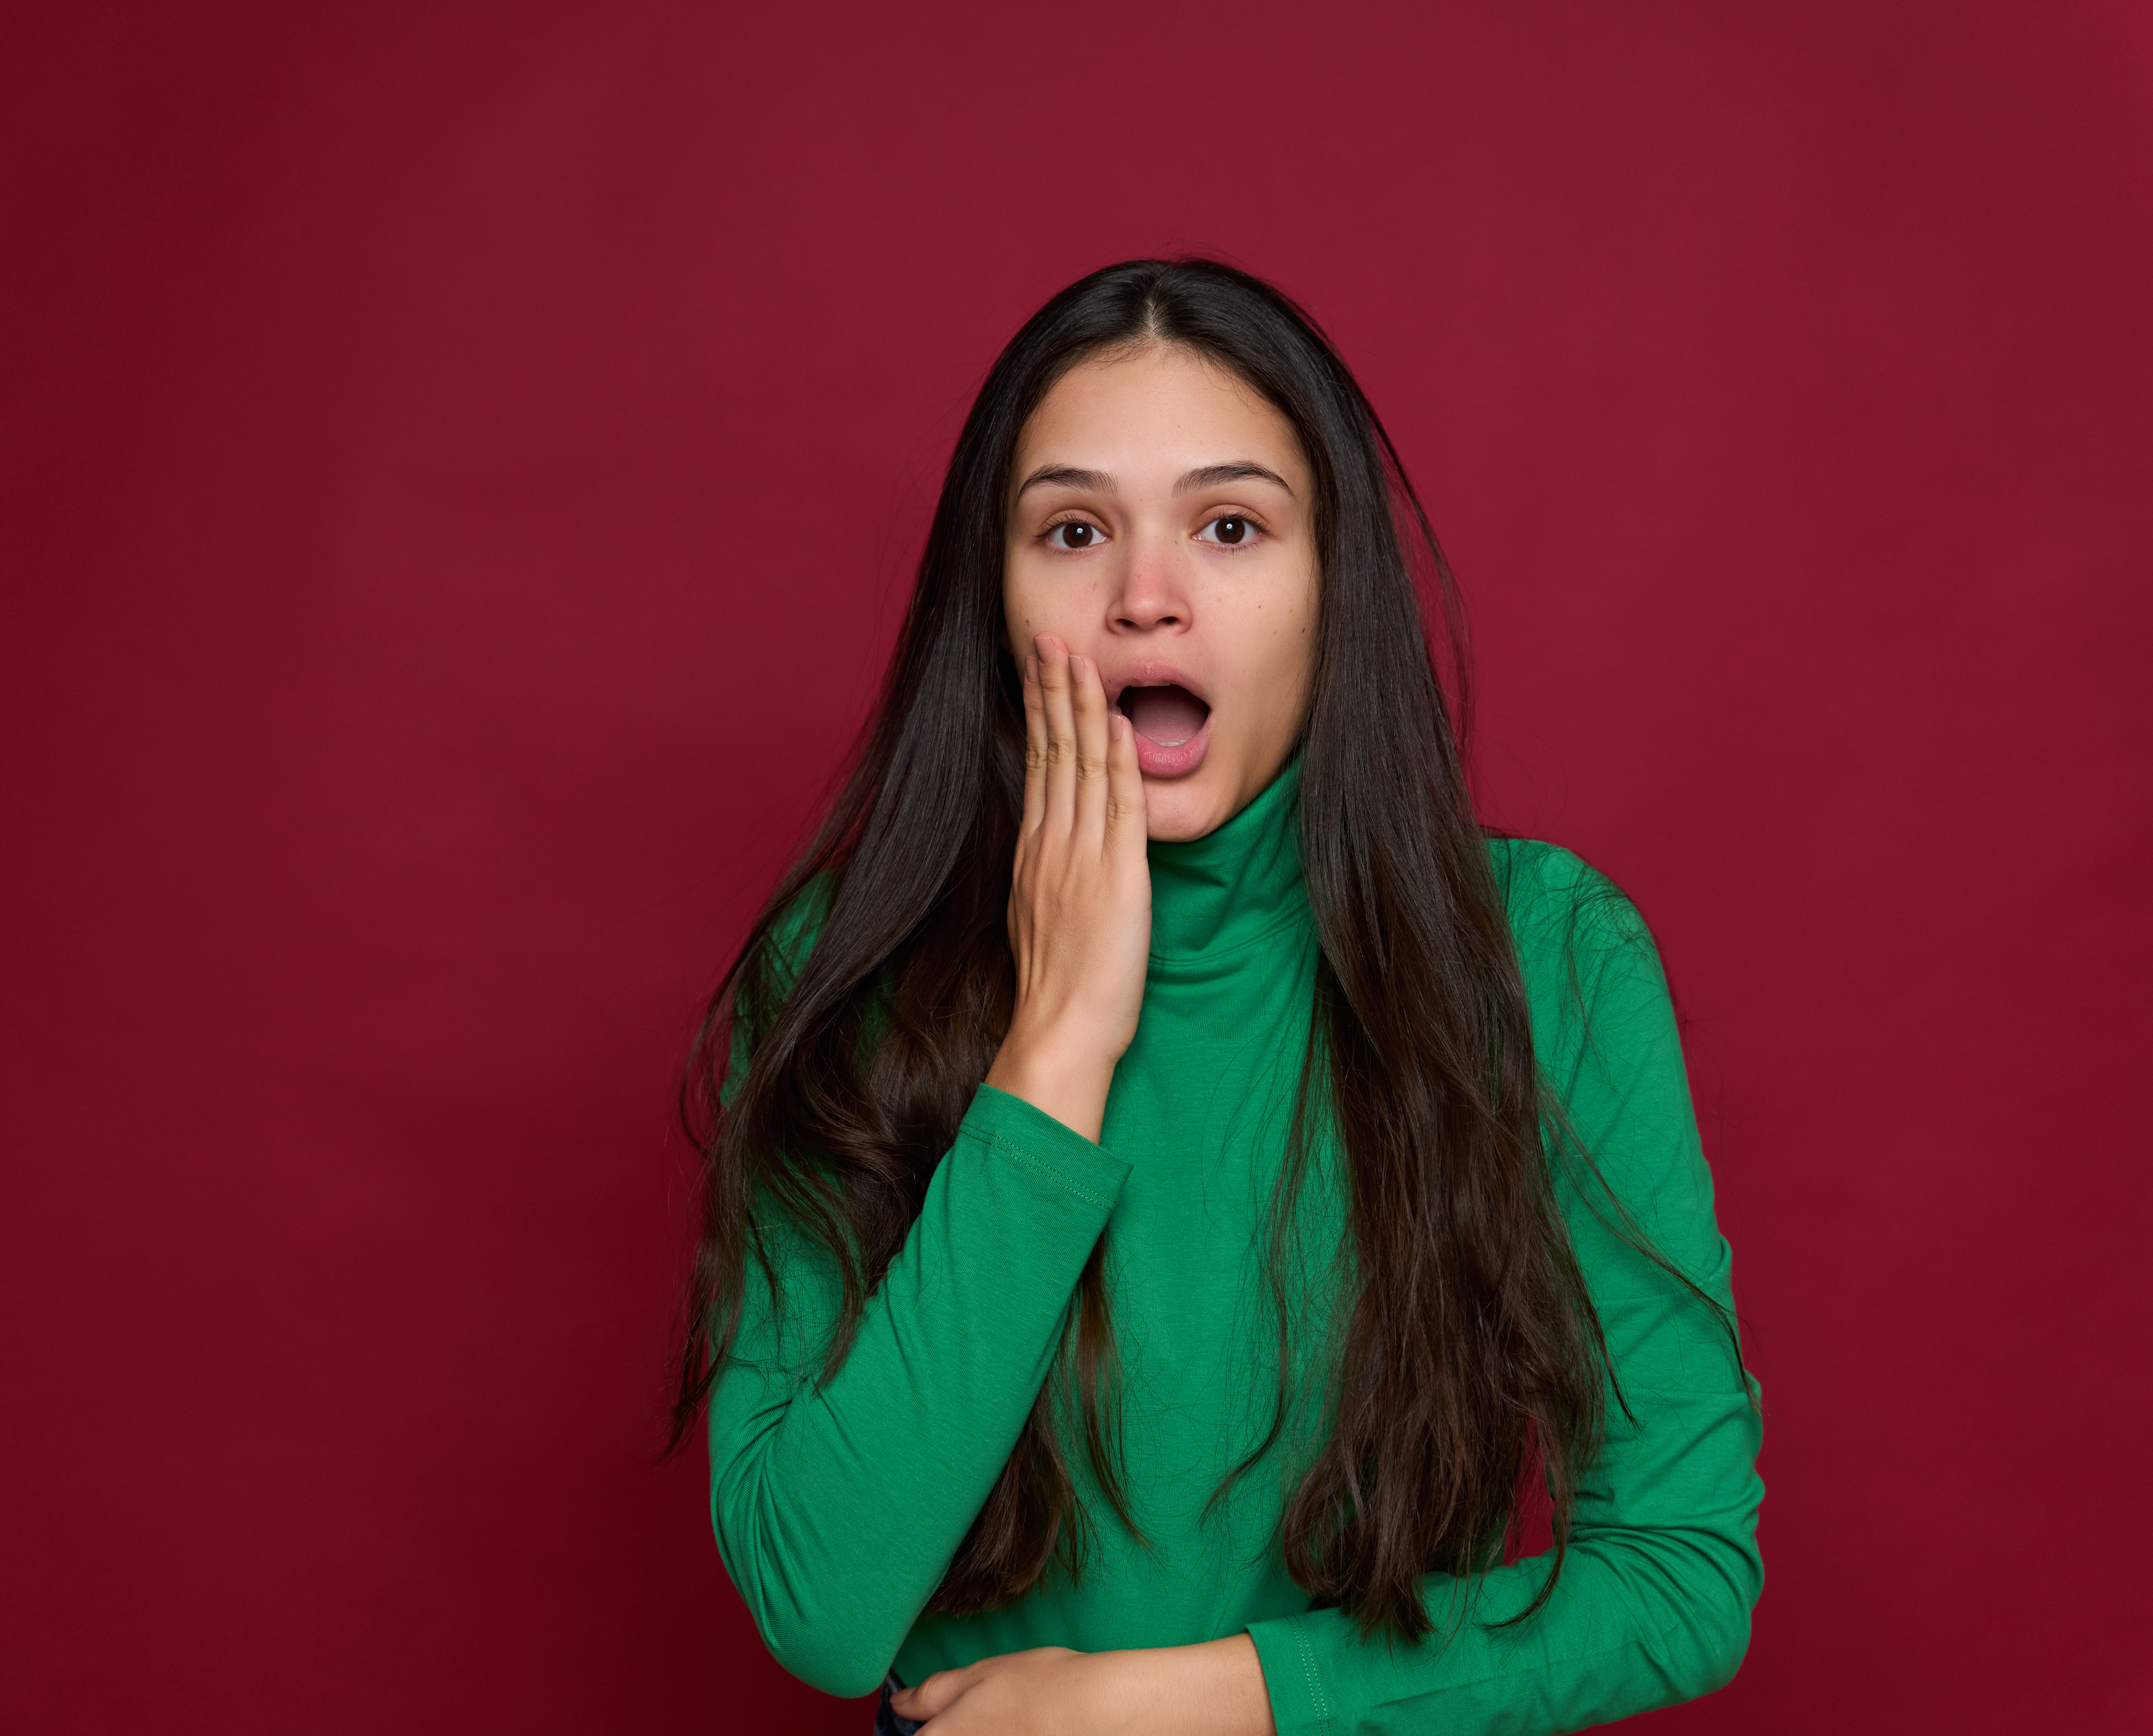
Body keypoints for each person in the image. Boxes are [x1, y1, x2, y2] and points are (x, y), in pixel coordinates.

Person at [667, 258, 1762, 1735]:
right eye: (1072, 531)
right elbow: (823, 1605)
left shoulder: (1546, 959)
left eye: (1231, 527)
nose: (1146, 601)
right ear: (992, 601)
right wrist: (1057, 1044)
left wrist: (1182, 1705)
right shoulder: (844, 971)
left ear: (1331, 594)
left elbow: (1681, 1575)